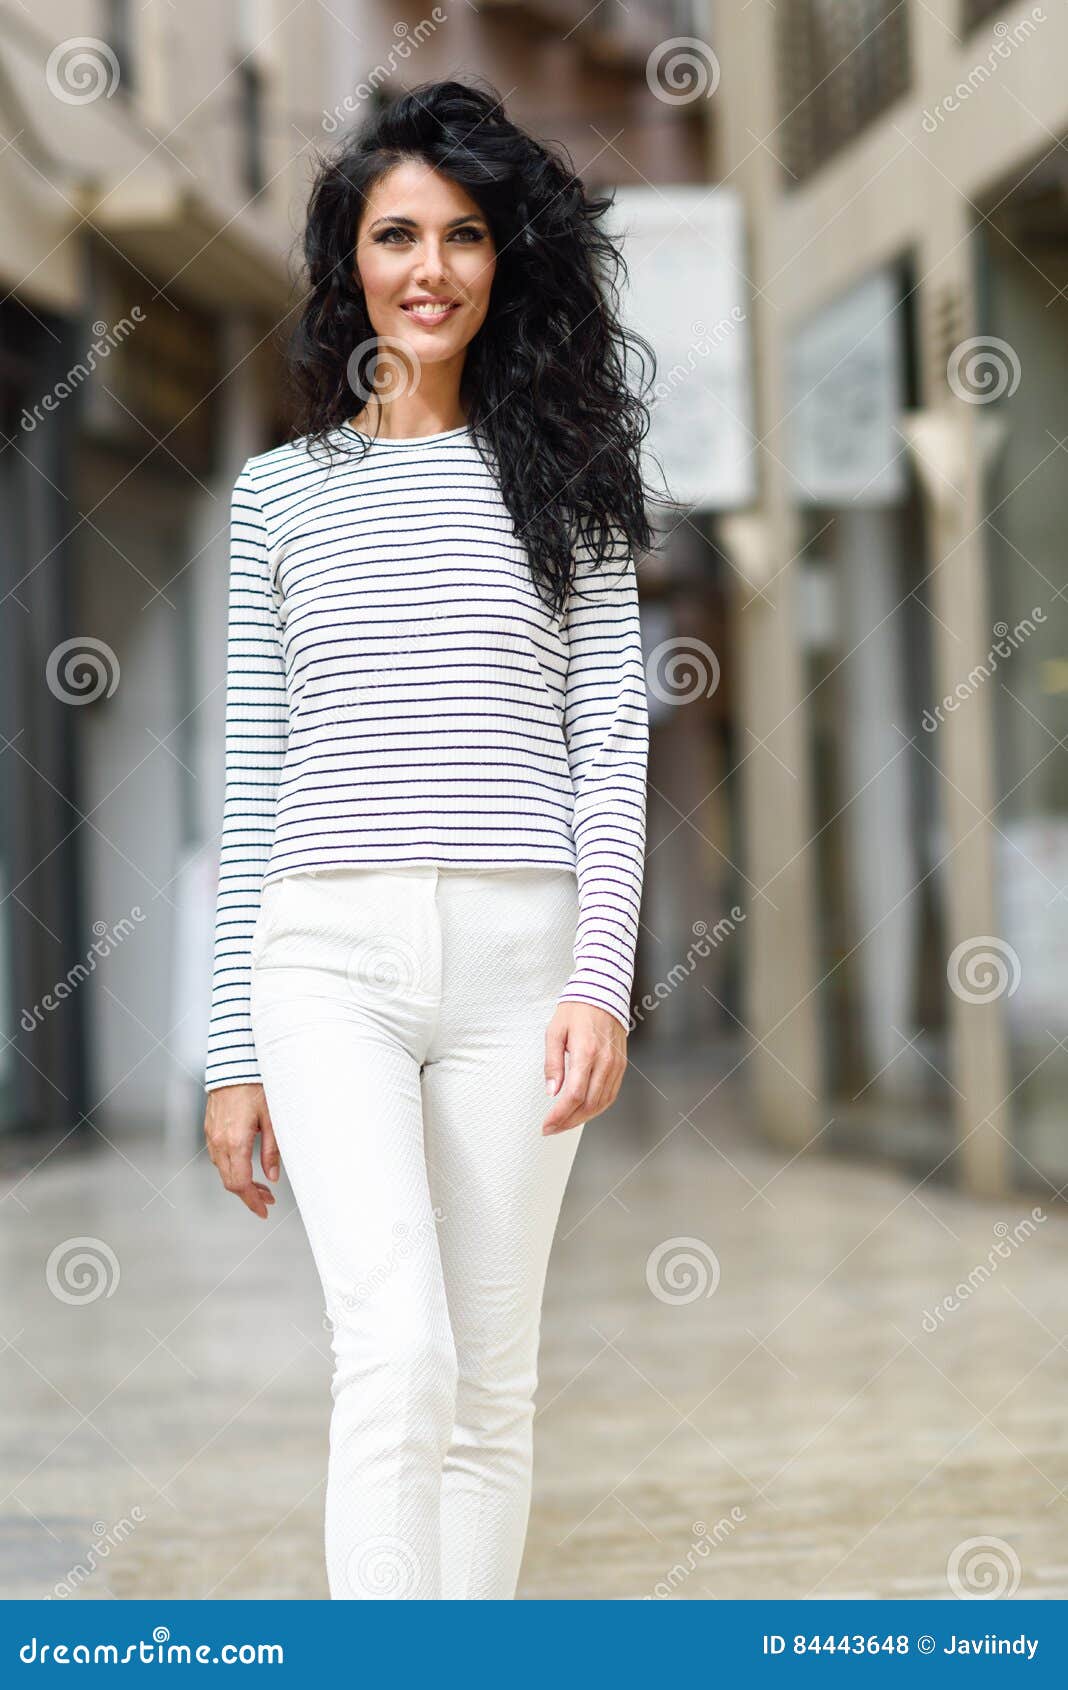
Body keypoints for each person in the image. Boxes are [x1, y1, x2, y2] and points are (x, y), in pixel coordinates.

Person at [202, 77, 656, 1600]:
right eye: (398, 234)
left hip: (525, 963)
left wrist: (600, 980)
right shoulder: (277, 500)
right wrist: (228, 1053)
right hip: (323, 957)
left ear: (506, 259)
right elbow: (253, 778)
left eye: (466, 234)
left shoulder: (572, 495)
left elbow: (609, 747)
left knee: (490, 1384)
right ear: (353, 267)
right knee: (393, 1348)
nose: (432, 267)